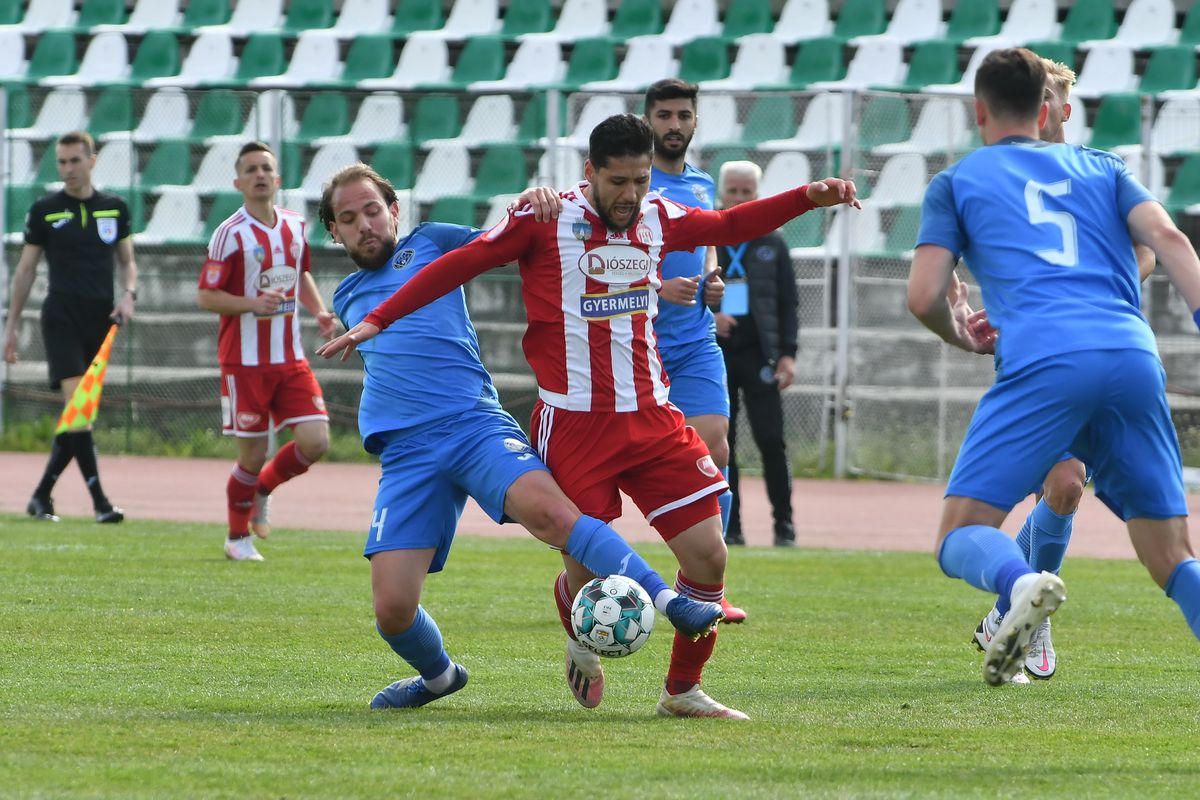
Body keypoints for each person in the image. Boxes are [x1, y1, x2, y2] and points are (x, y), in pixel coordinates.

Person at [319, 114, 860, 718]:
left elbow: (730, 224)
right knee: (583, 579)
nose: (631, 195)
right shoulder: (546, 222)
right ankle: (576, 633)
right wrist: (381, 318)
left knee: (710, 556)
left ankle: (681, 691)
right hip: (575, 423)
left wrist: (807, 197)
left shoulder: (660, 215)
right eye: (618, 182)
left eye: (641, 180)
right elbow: (461, 264)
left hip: (651, 417)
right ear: (590, 173)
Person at [317, 163, 724, 710]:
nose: (364, 225)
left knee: (555, 516)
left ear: (394, 211)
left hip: (474, 425)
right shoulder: (346, 296)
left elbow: (514, 241)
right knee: (392, 610)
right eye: (348, 219)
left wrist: (532, 199)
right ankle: (439, 677)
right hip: (407, 452)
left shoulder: (432, 240)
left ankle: (669, 602)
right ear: (334, 231)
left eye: (372, 210)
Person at [908, 47, 1200, 687]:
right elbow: (1171, 241)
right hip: (1130, 353)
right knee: (1174, 557)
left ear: (978, 110)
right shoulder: (1105, 168)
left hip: (1044, 358)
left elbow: (924, 296)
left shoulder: (958, 181)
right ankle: (1027, 604)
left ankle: (1019, 587)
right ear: (1045, 112)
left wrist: (963, 334)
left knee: (960, 534)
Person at [968, 58, 1159, 681]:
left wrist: (1098, 293)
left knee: (1066, 489)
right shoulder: (998, 174)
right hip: (1032, 351)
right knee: (1064, 483)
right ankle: (1032, 611)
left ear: (1064, 110)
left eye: (1048, 96)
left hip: (1097, 345)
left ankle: (1014, 610)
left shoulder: (1101, 172)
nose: (1038, 105)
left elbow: (1147, 252)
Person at [196, 141, 334, 562]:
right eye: (251, 169)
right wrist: (252, 304)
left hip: (290, 359)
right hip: (245, 363)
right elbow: (206, 295)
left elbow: (300, 275)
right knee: (252, 455)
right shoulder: (229, 234)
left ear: (277, 179)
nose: (259, 175)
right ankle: (237, 538)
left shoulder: (294, 225)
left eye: (265, 168)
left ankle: (262, 490)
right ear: (238, 182)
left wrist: (320, 311)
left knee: (316, 441)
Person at [643, 80, 761, 562]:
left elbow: (708, 244)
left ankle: (709, 580)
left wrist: (713, 277)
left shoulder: (702, 184)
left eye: (683, 115)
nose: (674, 125)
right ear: (648, 120)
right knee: (612, 468)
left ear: (695, 121)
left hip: (694, 340)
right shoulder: (631, 182)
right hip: (637, 345)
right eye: (664, 115)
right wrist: (657, 287)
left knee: (715, 450)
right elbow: (604, 257)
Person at [2, 130, 135, 524]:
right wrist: (11, 326)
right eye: (61, 162)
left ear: (92, 161)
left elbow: (127, 261)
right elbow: (26, 270)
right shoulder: (45, 210)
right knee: (79, 408)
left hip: (101, 320)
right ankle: (100, 503)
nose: (68, 169)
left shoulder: (115, 208)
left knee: (79, 412)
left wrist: (129, 294)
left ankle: (41, 496)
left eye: (75, 160)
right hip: (61, 317)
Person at [711, 161, 798, 549]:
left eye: (747, 191)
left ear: (758, 195)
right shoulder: (706, 237)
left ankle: (784, 526)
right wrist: (711, 316)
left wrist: (788, 354)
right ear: (721, 193)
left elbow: (788, 303)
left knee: (772, 440)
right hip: (715, 354)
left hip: (761, 355)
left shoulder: (772, 242)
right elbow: (687, 292)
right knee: (722, 444)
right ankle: (731, 527)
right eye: (733, 190)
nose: (739, 198)